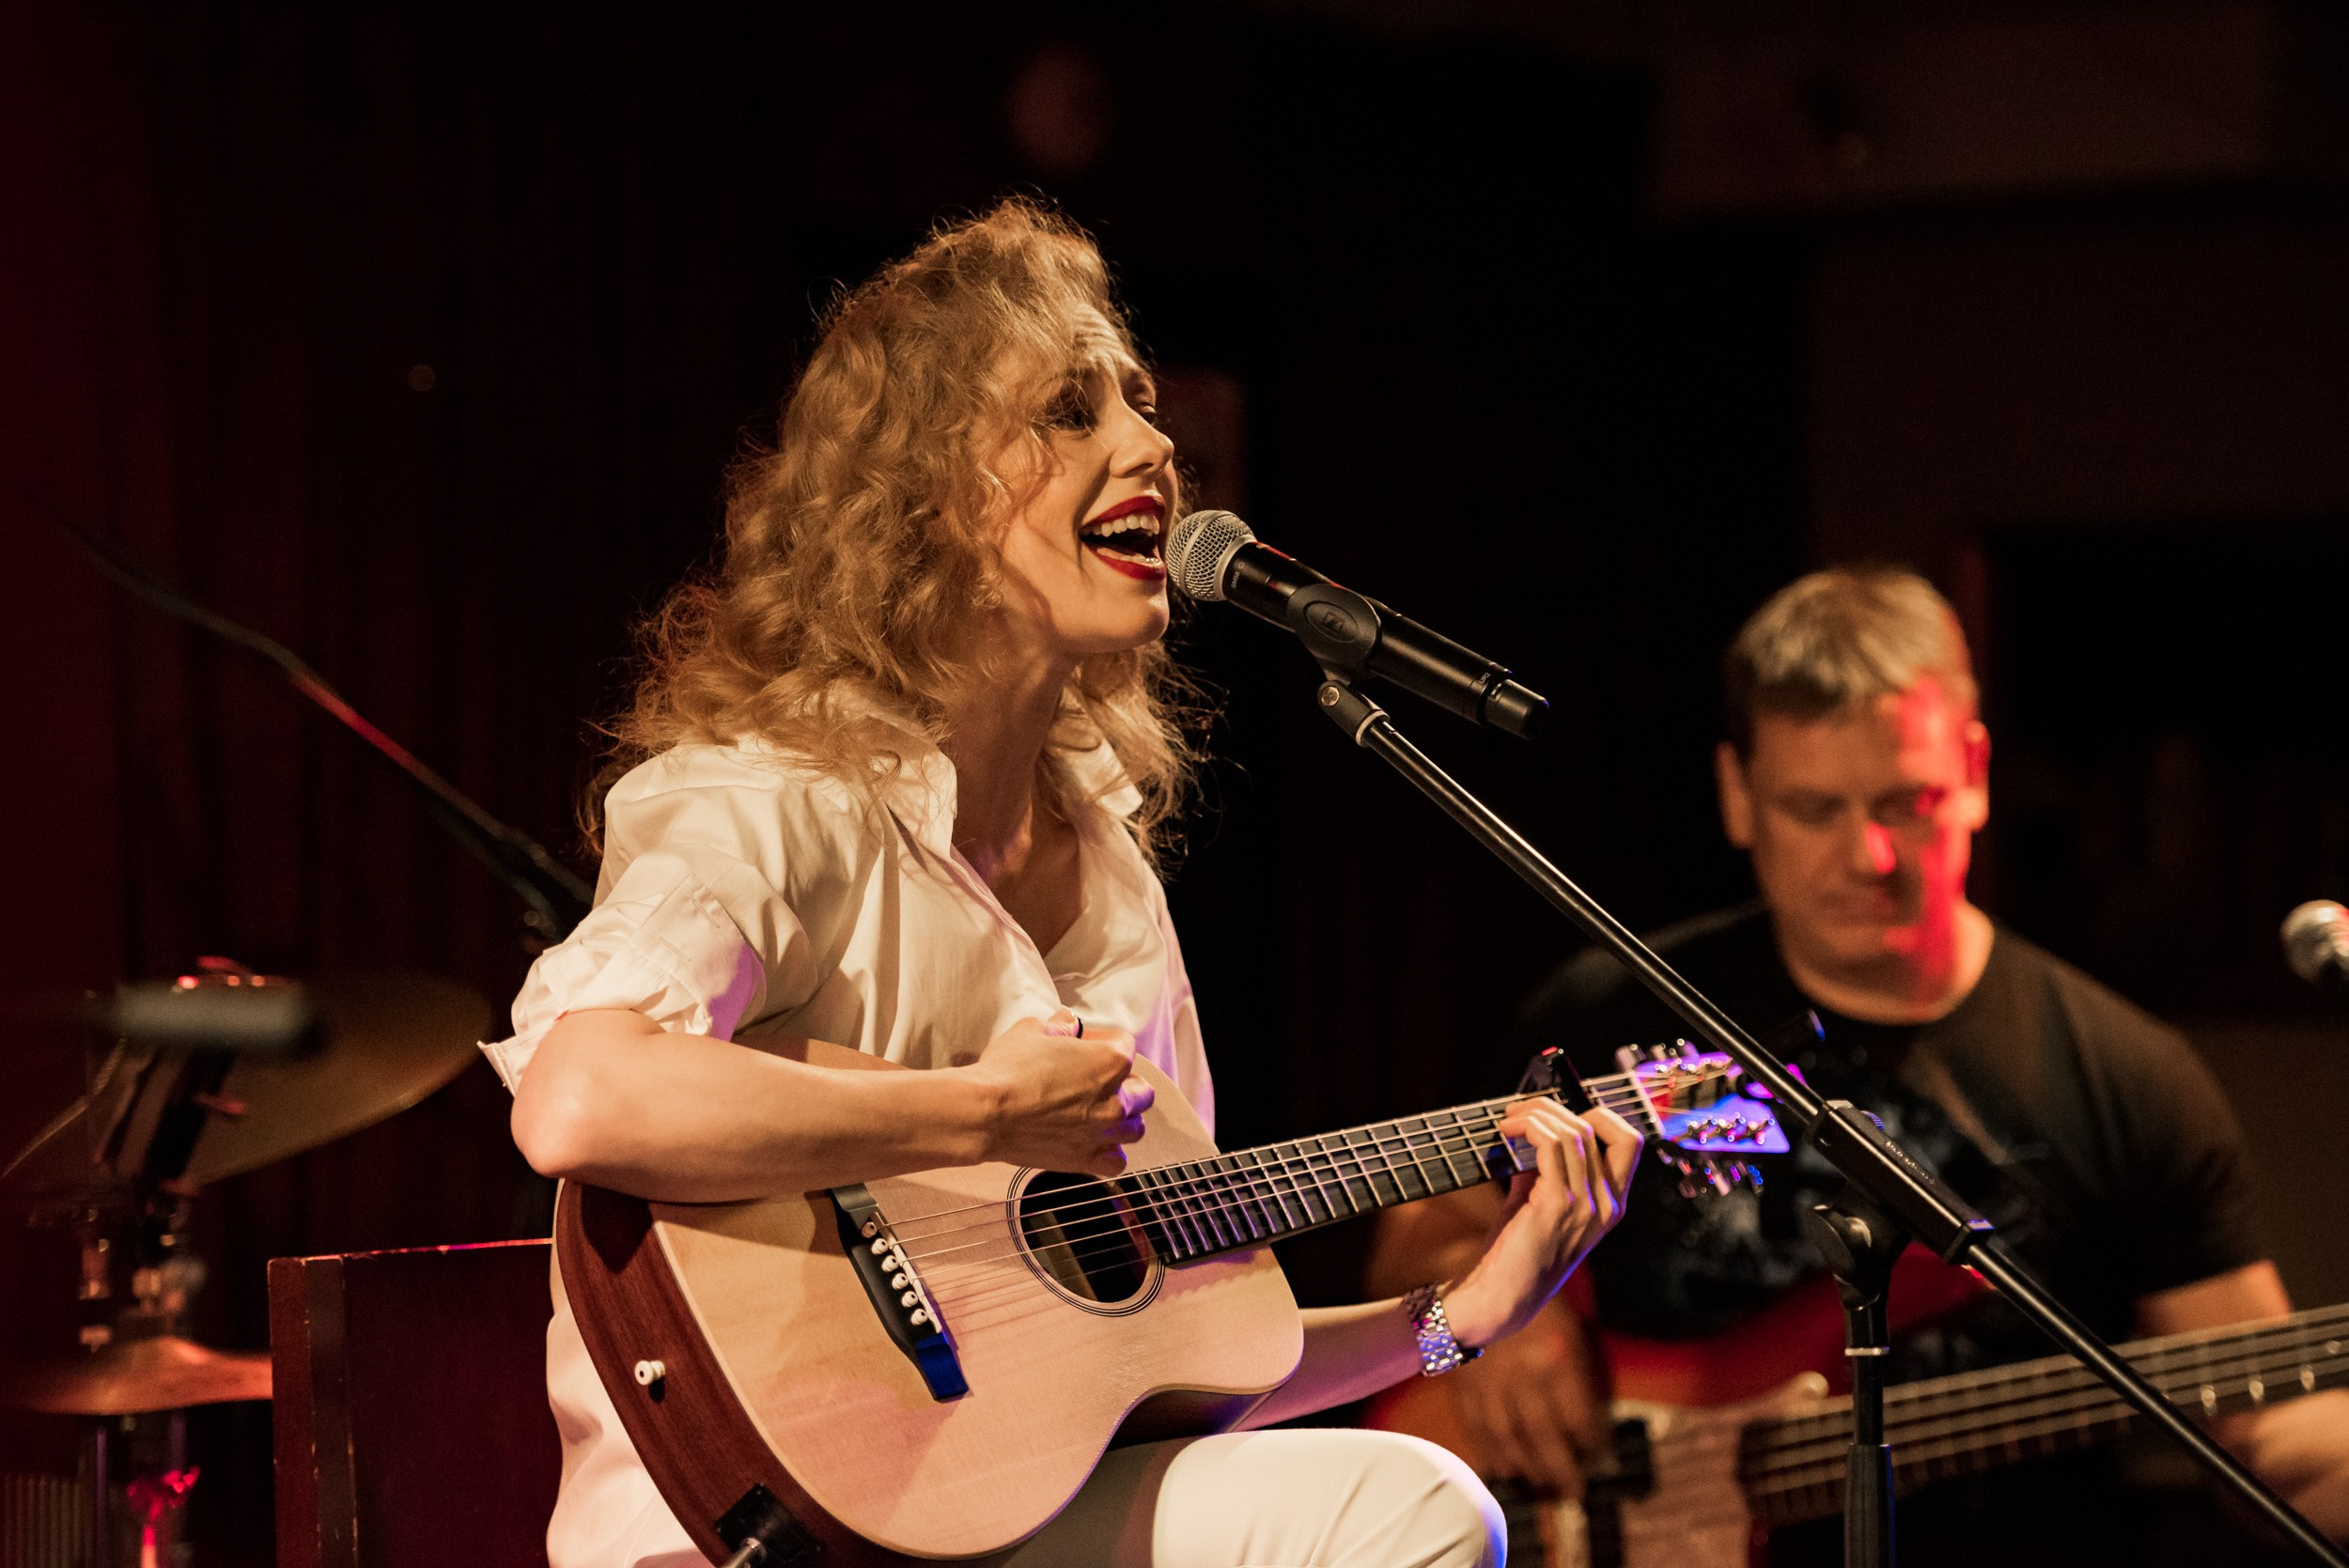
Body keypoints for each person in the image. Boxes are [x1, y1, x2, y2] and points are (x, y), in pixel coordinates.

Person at [477, 199, 1643, 1568]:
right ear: (925, 499)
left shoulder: (1111, 879)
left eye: (1143, 408)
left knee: (1399, 1498)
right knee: (1412, 1511)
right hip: (727, 1534)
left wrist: (1462, 1313)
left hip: (989, 1530)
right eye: (1070, 411)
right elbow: (578, 1096)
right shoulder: (768, 798)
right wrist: (984, 1112)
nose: (1154, 446)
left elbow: (1157, 1360)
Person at [1365, 567, 2349, 1564]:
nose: (1869, 854)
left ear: (1973, 771)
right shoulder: (1610, 1006)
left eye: (1906, 800)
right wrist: (1499, 1321)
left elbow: (2262, 1427)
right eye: (1812, 808)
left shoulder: (2127, 1075)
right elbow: (1424, 1228)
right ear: (1736, 795)